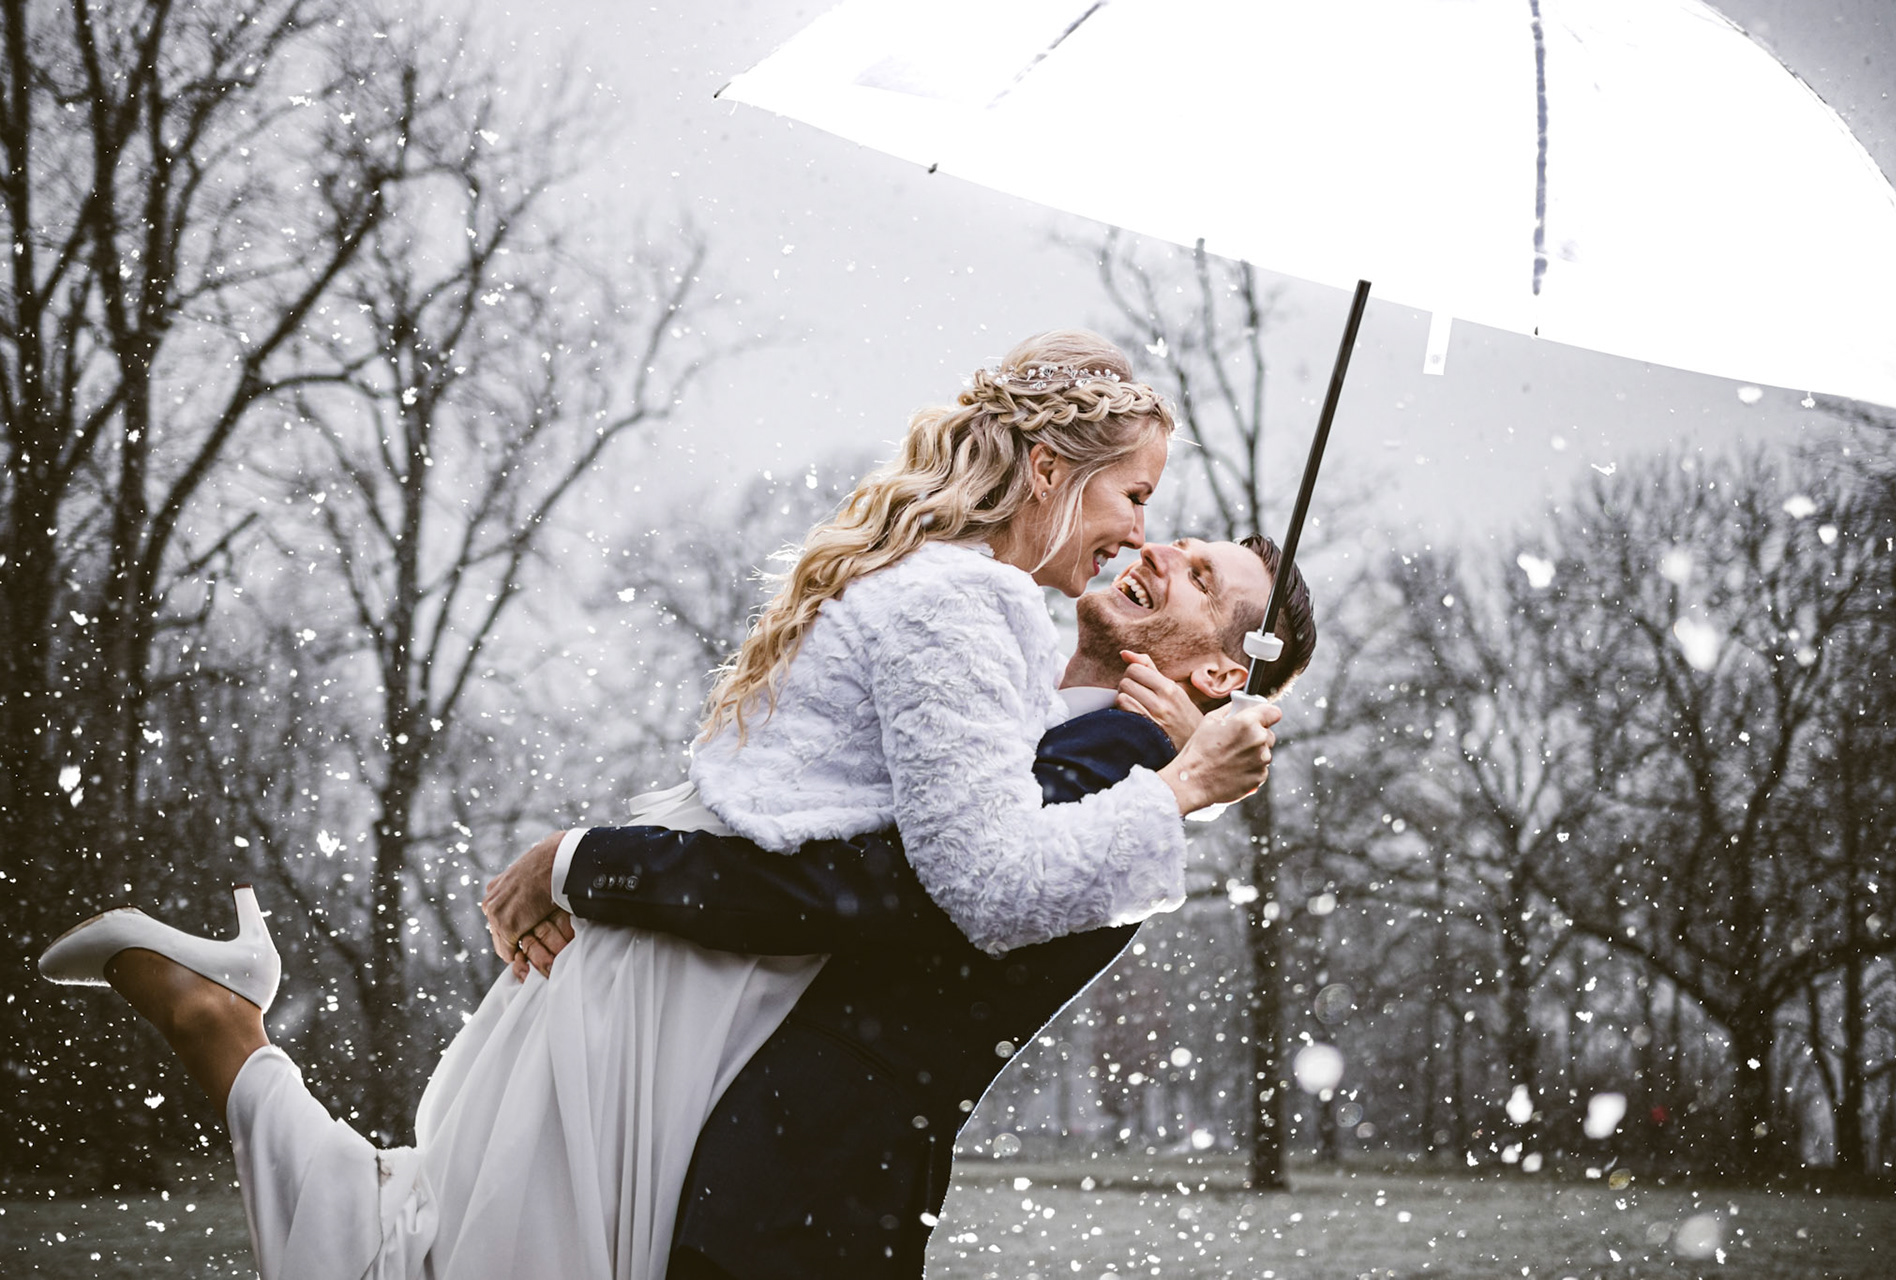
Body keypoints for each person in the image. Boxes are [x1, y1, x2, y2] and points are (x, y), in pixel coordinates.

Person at [36, 331, 1285, 1280]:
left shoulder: (967, 601)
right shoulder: (976, 600)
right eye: (1140, 499)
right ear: (1052, 469)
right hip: (695, 981)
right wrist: (1176, 788)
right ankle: (217, 1023)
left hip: (695, 971)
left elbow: (936, 868)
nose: (1144, 536)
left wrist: (589, 862)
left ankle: (223, 1024)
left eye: (1174, 539)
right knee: (448, 1252)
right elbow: (962, 875)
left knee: (433, 1240)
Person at [488, 534, 1316, 1279]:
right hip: (788, 1190)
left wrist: (586, 865)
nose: (1160, 550)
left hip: (795, 1197)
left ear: (1221, 675)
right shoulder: (1048, 726)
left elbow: (859, 889)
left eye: (1200, 578)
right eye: (1180, 542)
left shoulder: (1123, 766)